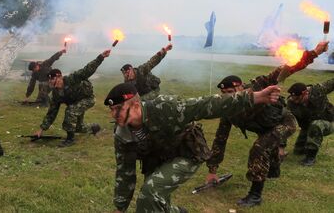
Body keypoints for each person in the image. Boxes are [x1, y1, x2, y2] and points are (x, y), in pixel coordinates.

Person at [107, 82, 282, 213]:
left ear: (136, 105)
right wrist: (120, 207)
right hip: (156, 157)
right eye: (111, 110)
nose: (113, 115)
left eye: (118, 109)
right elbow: (125, 171)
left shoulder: (164, 107)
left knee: (150, 192)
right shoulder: (122, 134)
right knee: (155, 200)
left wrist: (254, 97)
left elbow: (205, 105)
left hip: (186, 153)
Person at [206, 41, 329, 207]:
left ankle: (255, 195)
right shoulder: (228, 109)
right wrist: (212, 170)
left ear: (241, 87)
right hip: (264, 126)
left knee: (259, 148)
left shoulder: (257, 86)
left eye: (230, 92)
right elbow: (220, 139)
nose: (228, 96)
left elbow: (287, 68)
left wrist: (314, 52)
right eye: (224, 93)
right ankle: (273, 170)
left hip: (284, 121)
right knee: (268, 149)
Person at [34, 50, 109, 147]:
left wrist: (101, 57)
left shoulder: (72, 78)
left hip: (87, 99)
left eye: (52, 79)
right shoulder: (56, 94)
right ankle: (94, 128)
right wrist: (41, 130)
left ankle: (70, 139)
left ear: (59, 76)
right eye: (49, 80)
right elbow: (52, 112)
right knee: (78, 127)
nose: (51, 82)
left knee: (70, 111)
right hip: (76, 103)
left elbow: (87, 70)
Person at [287, 78, 334, 166]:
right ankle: (304, 147)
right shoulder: (291, 103)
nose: (295, 101)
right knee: (298, 152)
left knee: (316, 124)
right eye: (293, 98)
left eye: (297, 98)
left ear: (305, 93)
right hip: (308, 126)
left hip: (329, 122)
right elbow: (285, 123)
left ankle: (310, 157)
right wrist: (281, 146)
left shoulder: (318, 91)